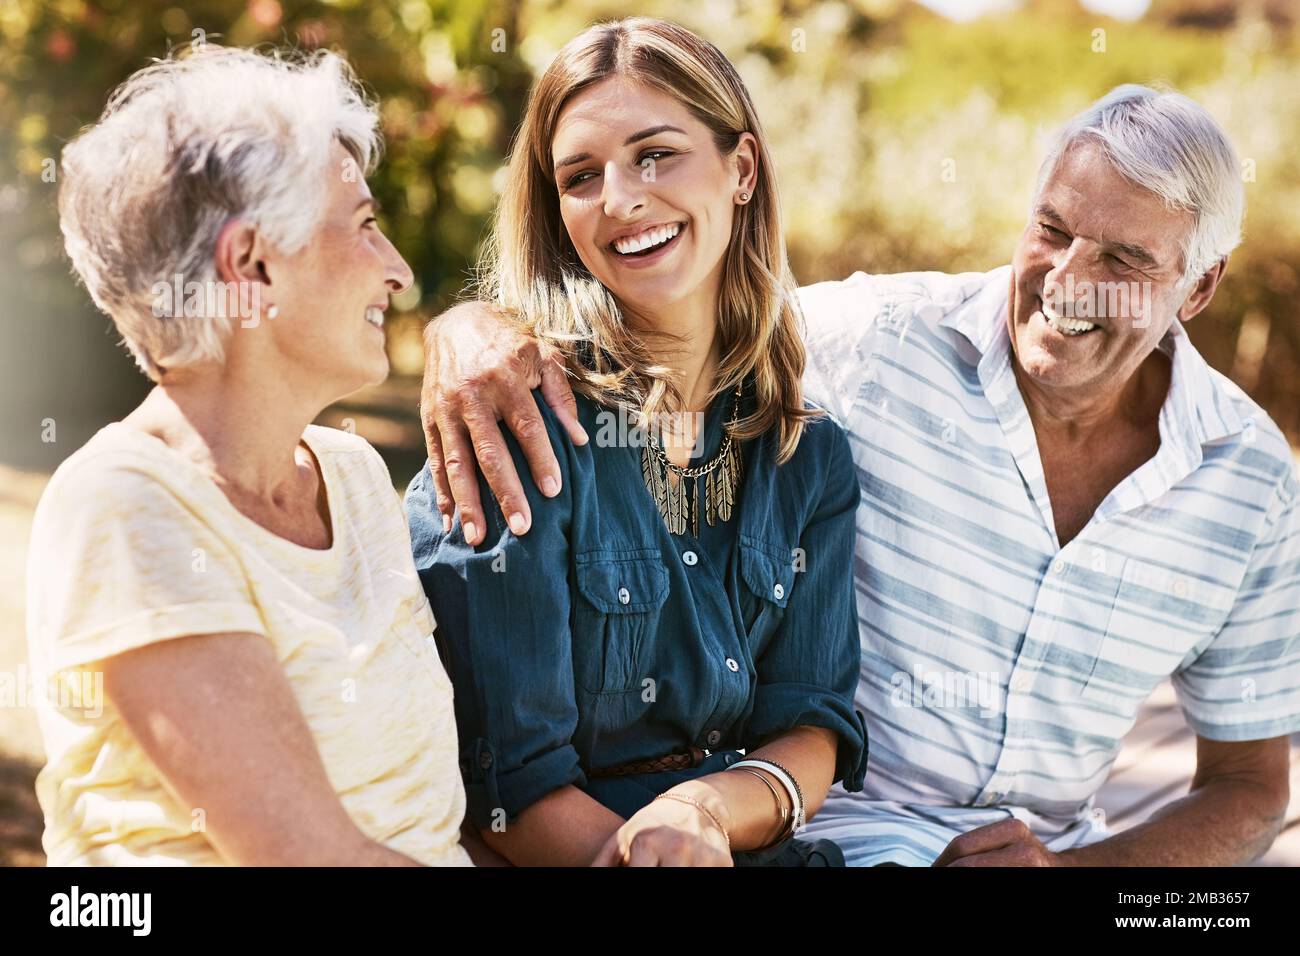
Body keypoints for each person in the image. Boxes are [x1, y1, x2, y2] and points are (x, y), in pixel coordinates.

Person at [418, 83, 1300, 865]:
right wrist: (465, 328)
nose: (1068, 282)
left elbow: (1251, 783)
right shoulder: (874, 341)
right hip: (828, 831)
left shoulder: (1250, 484)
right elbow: (671, 307)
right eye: (1053, 231)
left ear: (1197, 287)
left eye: (1123, 261)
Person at [404, 17, 867, 867]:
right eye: (580, 176)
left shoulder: (808, 456)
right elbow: (510, 792)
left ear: (742, 170)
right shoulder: (518, 425)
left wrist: (707, 811)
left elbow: (812, 721)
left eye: (655, 154)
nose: (619, 198)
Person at [27, 45, 482, 866]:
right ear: (251, 266)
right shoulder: (125, 505)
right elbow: (312, 859)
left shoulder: (353, 475)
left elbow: (423, 820)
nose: (399, 271)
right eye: (368, 227)